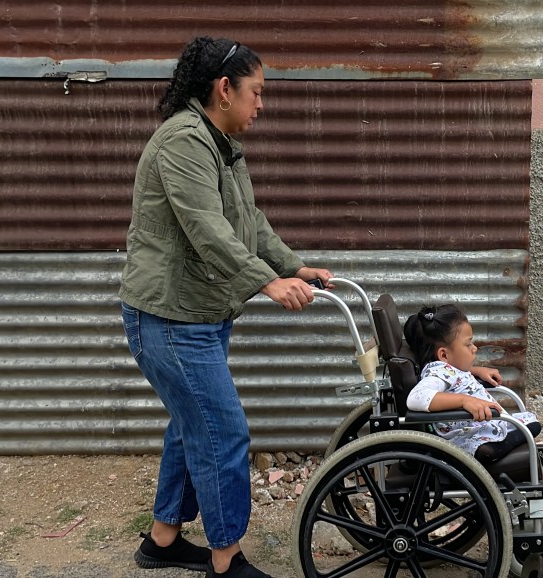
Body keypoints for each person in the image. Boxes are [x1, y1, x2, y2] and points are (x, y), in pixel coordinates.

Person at [118, 36, 332, 578]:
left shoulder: (222, 143)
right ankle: (225, 558)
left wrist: (292, 266)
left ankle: (162, 541)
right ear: (223, 89)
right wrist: (267, 283)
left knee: (193, 425)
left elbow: (249, 221)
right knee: (222, 431)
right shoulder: (184, 143)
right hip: (168, 319)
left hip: (199, 314)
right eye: (255, 93)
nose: (261, 105)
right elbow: (207, 231)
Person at [402, 304, 541, 463]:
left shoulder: (446, 369)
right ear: (443, 355)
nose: (474, 348)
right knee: (531, 427)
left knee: (531, 423)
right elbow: (416, 397)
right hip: (466, 436)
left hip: (476, 428)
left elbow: (453, 376)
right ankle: (488, 450)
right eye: (468, 344)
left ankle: (498, 442)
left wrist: (475, 371)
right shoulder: (437, 372)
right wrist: (465, 400)